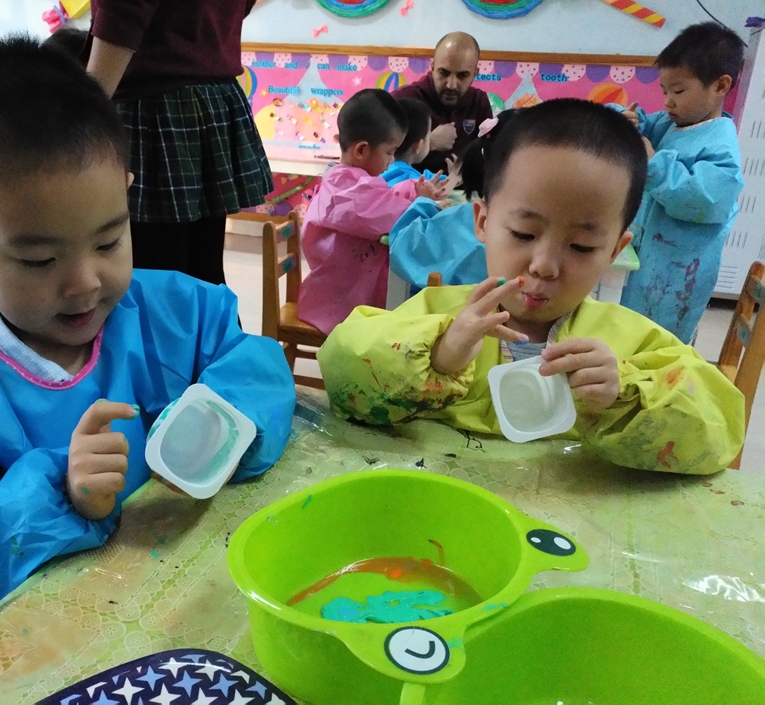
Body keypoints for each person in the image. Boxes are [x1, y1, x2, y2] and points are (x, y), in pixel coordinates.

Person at [0, 37, 296, 686]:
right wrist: (57, 495)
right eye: (39, 259)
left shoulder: (179, 313)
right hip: (41, 672)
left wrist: (221, 420)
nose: (84, 282)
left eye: (108, 240)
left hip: (176, 638)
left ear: (126, 197)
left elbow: (253, 365)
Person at [317, 99, 744, 476]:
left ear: (615, 250)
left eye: (581, 246)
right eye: (523, 234)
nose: (544, 266)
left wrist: (626, 395)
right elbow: (341, 373)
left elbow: (720, 432)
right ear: (483, 222)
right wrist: (438, 356)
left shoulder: (631, 341)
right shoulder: (434, 313)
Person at [85, 0, 271, 285]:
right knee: (200, 273)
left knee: (154, 278)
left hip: (155, 104)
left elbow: (122, 17)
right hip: (206, 98)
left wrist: (83, 116)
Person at [617, 22, 744, 343]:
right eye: (664, 91)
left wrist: (654, 163)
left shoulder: (720, 145)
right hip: (646, 253)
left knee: (659, 340)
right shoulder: (670, 123)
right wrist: (630, 120)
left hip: (677, 272)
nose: (668, 102)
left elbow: (703, 199)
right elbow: (647, 124)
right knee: (626, 326)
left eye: (678, 91)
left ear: (720, 86)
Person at [297, 89, 448, 335]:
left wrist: (413, 191)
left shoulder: (351, 182)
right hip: (339, 302)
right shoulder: (346, 191)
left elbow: (381, 200)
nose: (392, 160)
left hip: (348, 288)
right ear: (361, 150)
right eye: (389, 152)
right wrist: (421, 204)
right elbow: (385, 214)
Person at [389, 111, 522, 292]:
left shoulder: (459, 220)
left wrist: (424, 203)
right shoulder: (550, 235)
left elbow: (401, 243)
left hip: (443, 310)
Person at [392, 32, 492, 174]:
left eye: (462, 75)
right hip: (409, 185)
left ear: (475, 73)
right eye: (444, 73)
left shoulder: (479, 101)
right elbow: (381, 161)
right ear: (432, 67)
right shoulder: (403, 99)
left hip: (461, 186)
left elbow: (489, 157)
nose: (451, 85)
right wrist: (430, 143)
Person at [380, 98, 450, 187]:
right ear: (418, 145)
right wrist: (455, 177)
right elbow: (434, 190)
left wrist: (450, 178)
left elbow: (428, 177)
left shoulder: (380, 168)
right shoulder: (412, 181)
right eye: (428, 136)